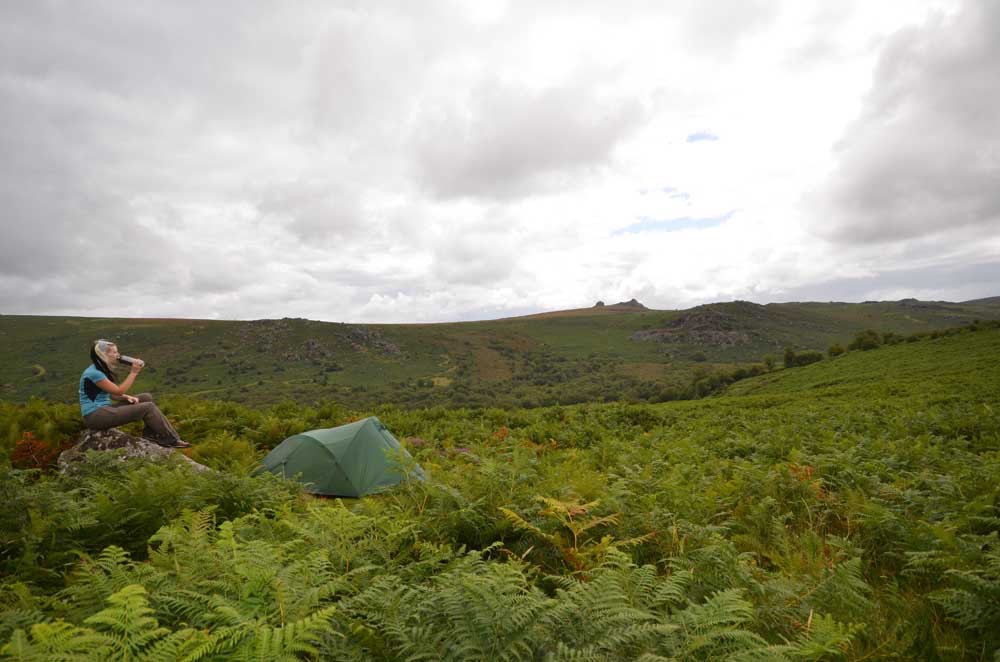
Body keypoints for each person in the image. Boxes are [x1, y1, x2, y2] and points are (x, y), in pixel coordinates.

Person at [79, 339, 190, 448]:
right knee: (148, 407)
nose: (118, 354)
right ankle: (170, 439)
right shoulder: (94, 373)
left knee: (146, 397)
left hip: (104, 410)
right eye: (114, 352)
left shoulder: (100, 369)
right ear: (104, 355)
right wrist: (134, 372)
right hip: (95, 416)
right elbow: (119, 390)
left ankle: (151, 435)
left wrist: (126, 397)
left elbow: (112, 394)